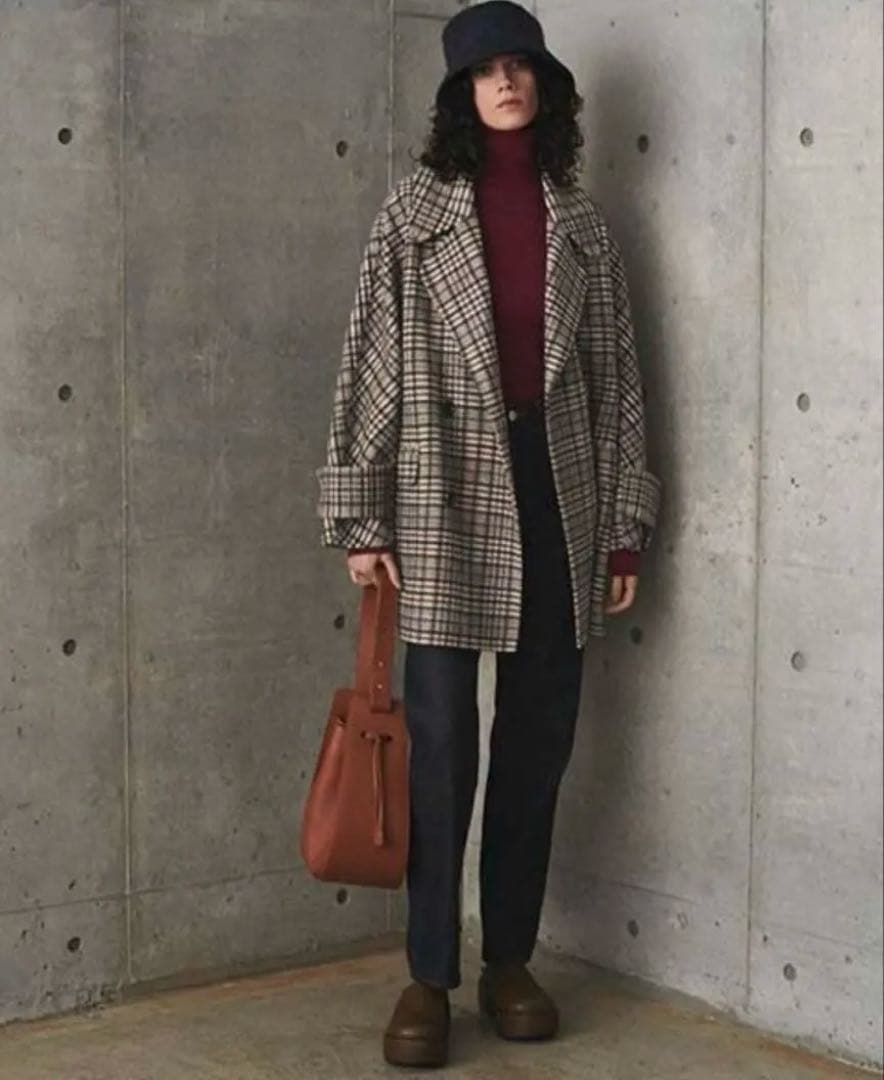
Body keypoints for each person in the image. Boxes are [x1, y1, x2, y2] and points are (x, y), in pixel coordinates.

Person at [315, 0, 662, 1067]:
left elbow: (616, 382)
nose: (505, 81)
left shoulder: (584, 224)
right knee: (438, 749)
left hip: (558, 489)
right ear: (459, 96)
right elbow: (369, 361)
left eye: (519, 65)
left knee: (535, 745)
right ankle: (429, 975)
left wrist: (623, 530)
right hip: (441, 493)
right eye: (483, 70)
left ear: (544, 87)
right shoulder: (412, 216)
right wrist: (360, 512)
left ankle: (510, 959)